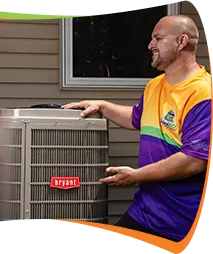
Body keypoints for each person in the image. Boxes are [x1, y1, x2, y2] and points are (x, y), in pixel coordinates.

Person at [63, 14, 211, 242]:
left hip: (182, 222)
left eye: (158, 38)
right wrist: (102, 106)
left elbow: (194, 160)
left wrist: (135, 176)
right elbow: (137, 117)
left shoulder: (202, 93)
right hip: (145, 211)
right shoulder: (155, 86)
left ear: (181, 42)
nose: (150, 45)